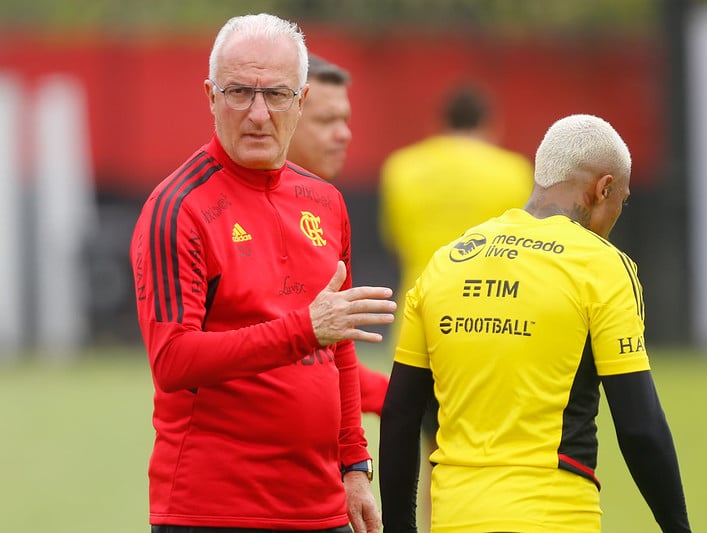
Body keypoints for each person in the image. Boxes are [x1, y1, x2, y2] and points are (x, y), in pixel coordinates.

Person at [129, 13, 396, 533]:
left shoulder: (325, 200)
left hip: (322, 509)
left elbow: (338, 348)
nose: (257, 114)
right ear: (210, 96)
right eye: (238, 93)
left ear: (300, 100)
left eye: (275, 95)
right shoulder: (177, 208)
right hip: (212, 512)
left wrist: (355, 467)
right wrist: (305, 329)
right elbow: (173, 359)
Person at [379, 114, 692, 532]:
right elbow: (639, 427)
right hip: (555, 518)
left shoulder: (446, 262)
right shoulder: (602, 267)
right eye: (623, 199)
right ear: (604, 189)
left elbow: (400, 416)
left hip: (455, 517)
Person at [378, 84, 534, 529]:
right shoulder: (514, 171)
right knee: (490, 458)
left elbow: (397, 239)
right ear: (491, 124)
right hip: (493, 327)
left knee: (429, 454)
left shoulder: (402, 168)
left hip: (420, 325)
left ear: (439, 123)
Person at [287, 53, 389, 416]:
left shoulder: (324, 205)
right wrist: (398, 397)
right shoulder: (244, 210)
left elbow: (327, 356)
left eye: (345, 119)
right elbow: (291, 358)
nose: (344, 133)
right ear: (288, 117)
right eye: (327, 120)